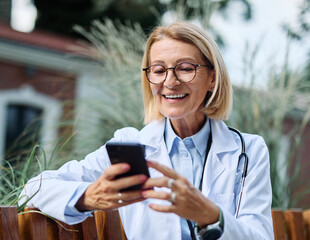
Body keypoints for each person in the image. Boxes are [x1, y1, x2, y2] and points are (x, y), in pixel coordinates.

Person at [19, 21, 274, 240]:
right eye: (159, 70)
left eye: (185, 68)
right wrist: (89, 196)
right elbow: (33, 189)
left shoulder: (248, 150)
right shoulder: (130, 145)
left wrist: (210, 215)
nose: (170, 82)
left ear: (213, 78)